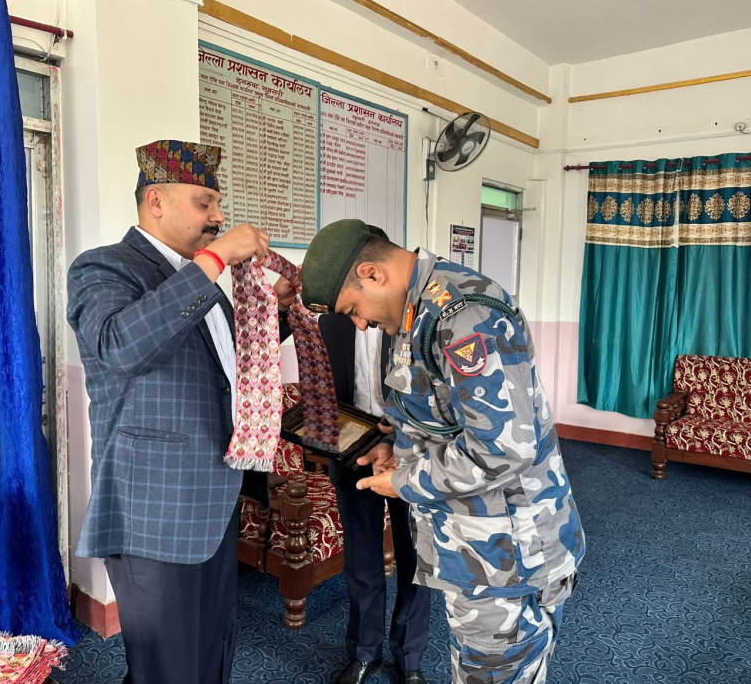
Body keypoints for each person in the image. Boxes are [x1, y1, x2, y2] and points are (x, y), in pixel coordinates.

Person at [300, 219, 585, 684]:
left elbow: (502, 449)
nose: (360, 323)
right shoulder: (417, 310)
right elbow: (440, 417)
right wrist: (396, 449)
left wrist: (404, 480)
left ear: (372, 273)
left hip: (508, 553)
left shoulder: (462, 315)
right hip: (473, 545)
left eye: (353, 308)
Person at [66, 139, 294, 684]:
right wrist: (213, 262)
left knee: (212, 648)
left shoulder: (202, 284)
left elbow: (226, 368)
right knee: (166, 666)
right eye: (204, 202)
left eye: (217, 204)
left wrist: (279, 314)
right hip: (154, 509)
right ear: (156, 202)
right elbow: (122, 346)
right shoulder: (104, 267)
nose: (217, 217)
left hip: (214, 495)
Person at [319, 231, 430, 684]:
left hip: (410, 453)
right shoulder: (333, 316)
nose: (359, 320)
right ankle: (365, 653)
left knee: (415, 561)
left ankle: (410, 658)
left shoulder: (419, 315)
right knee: (362, 561)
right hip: (352, 452)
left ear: (374, 275)